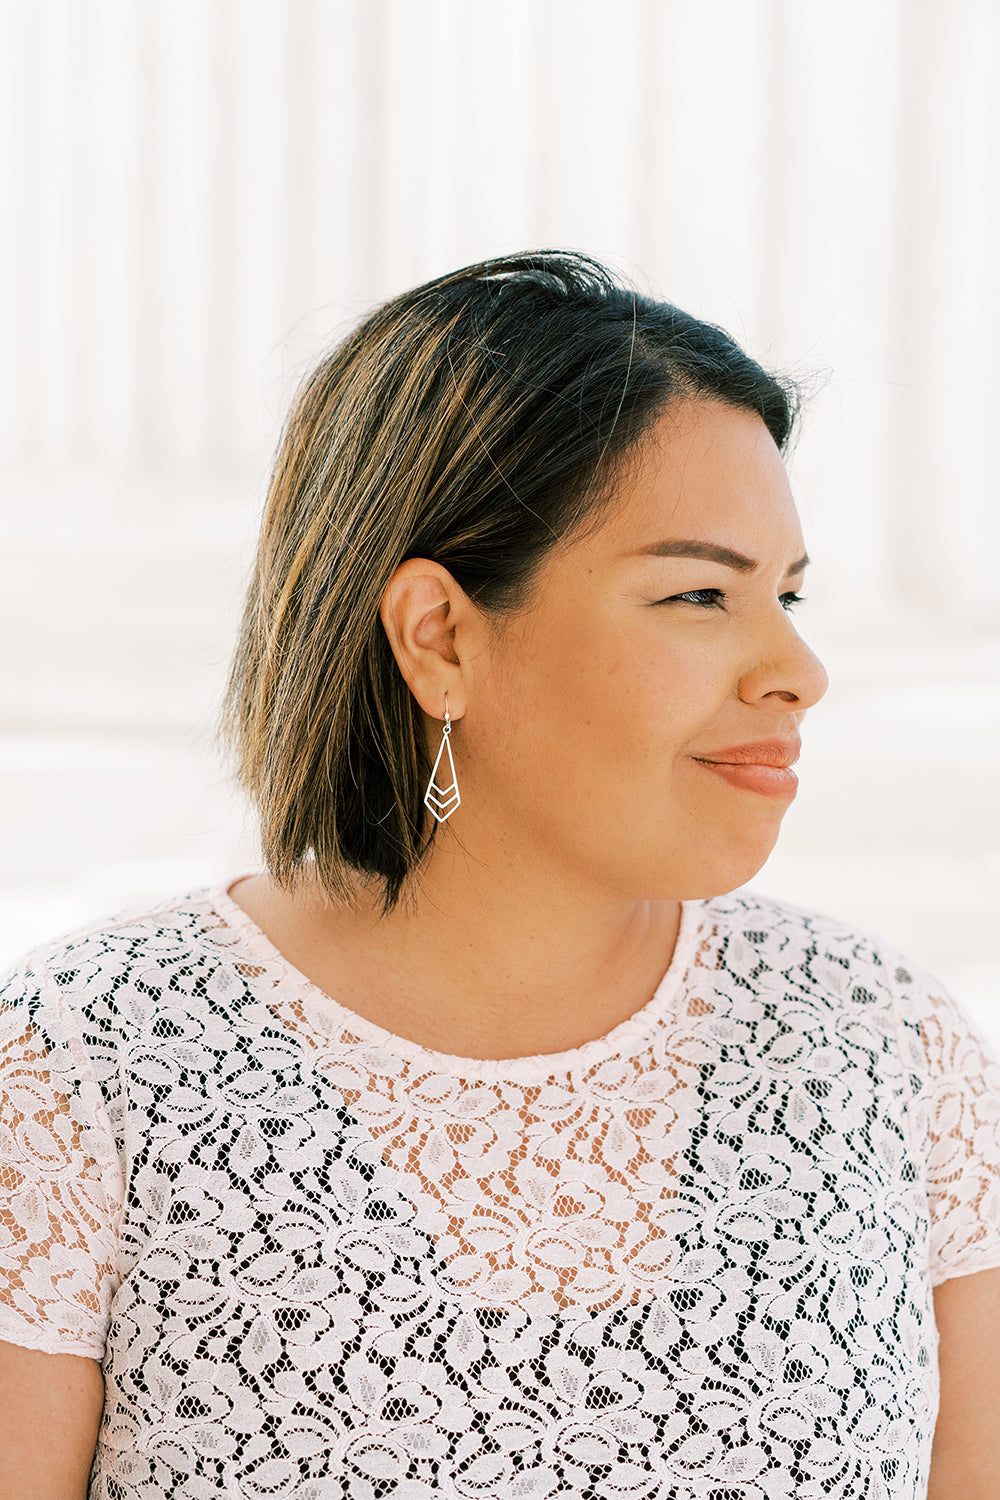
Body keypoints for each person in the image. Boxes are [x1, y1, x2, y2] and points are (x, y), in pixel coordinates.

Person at [1, 251, 998, 1499]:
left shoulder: (889, 1052)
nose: (797, 669)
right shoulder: (81, 1068)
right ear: (441, 636)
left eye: (788, 596)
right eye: (699, 594)